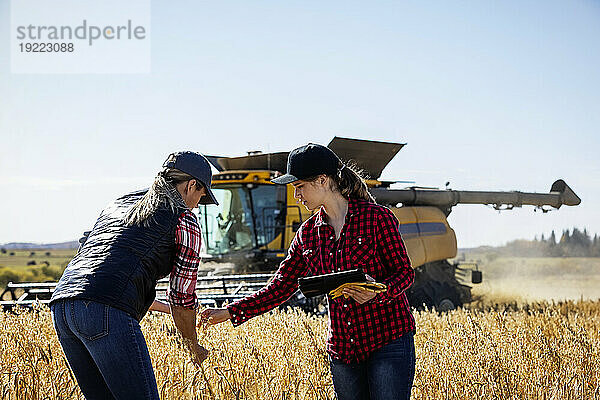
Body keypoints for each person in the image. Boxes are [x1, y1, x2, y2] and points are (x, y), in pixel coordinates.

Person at [202, 143, 416, 400]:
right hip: (343, 350)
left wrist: (378, 292)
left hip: (388, 342)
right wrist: (229, 311)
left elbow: (404, 272)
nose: (296, 196)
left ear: (323, 180)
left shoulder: (377, 218)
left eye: (299, 186)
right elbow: (280, 286)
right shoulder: (307, 234)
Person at [50, 151, 218, 400]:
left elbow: (105, 269)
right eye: (200, 196)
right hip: (105, 310)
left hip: (63, 307)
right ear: (191, 185)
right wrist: (192, 346)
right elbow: (182, 297)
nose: (197, 204)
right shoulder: (184, 219)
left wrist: (162, 309)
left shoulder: (118, 203)